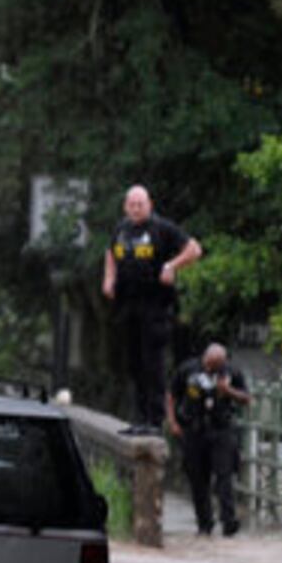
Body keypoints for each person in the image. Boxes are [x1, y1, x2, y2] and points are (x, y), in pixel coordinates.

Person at [101, 185, 203, 433]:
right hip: (128, 304)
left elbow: (194, 249)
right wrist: (109, 278)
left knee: (152, 363)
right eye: (132, 205)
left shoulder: (162, 228)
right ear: (126, 206)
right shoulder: (122, 229)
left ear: (150, 204)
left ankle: (155, 421)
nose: (136, 209)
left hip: (155, 305)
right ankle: (139, 418)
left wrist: (172, 265)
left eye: (140, 204)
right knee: (134, 363)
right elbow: (111, 253)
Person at [166, 343, 252, 537]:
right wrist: (172, 422)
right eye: (211, 364)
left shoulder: (231, 372)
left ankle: (228, 521)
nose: (214, 369)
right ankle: (204, 523)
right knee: (198, 478)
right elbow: (171, 394)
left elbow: (246, 398)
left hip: (221, 429)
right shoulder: (188, 369)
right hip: (194, 429)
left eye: (218, 365)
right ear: (205, 358)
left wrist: (228, 391)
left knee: (224, 476)